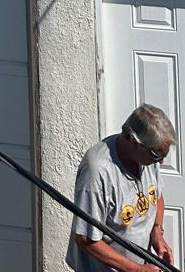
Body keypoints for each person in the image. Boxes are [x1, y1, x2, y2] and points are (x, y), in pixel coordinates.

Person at [66, 104, 176, 270]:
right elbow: (85, 238)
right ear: (134, 141)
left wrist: (157, 231)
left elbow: (156, 196)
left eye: (163, 155)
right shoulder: (98, 171)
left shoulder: (147, 159)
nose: (160, 162)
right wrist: (136, 269)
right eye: (156, 155)